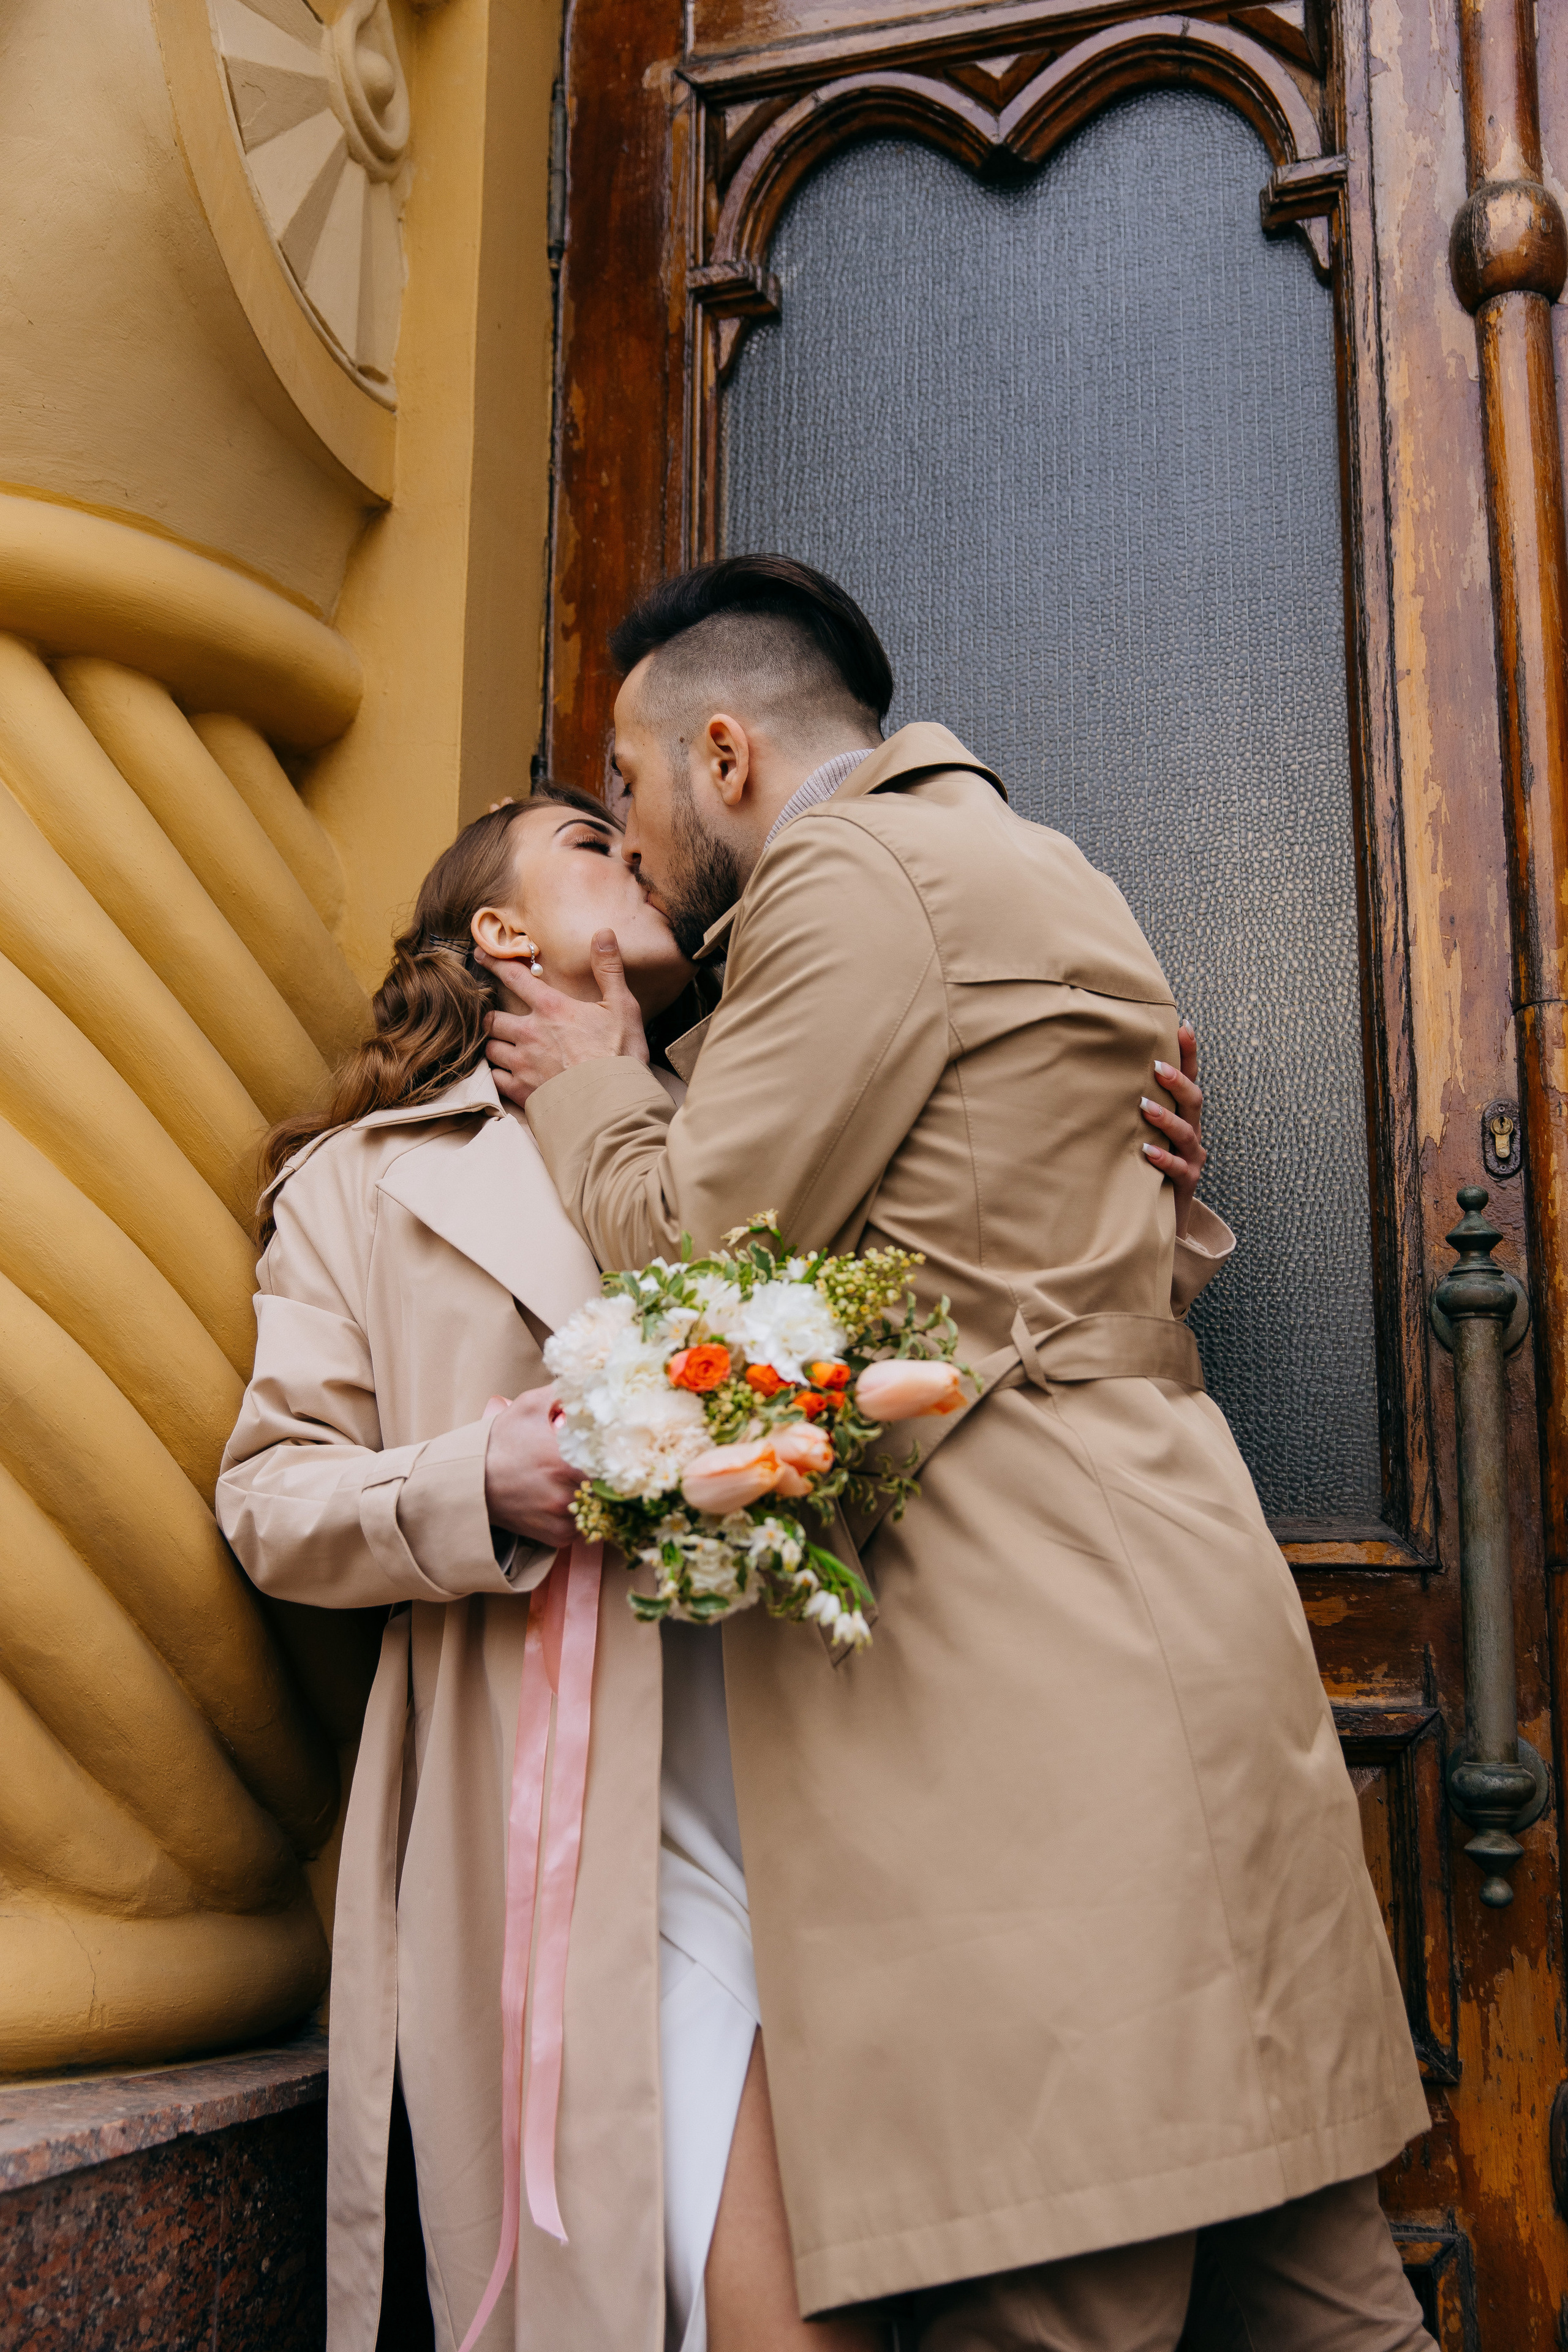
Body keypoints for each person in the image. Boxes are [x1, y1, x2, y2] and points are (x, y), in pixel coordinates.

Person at [483, 554, 1438, 2352]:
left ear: (725, 753)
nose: (628, 827)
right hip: (1178, 1623)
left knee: (1059, 2280)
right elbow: (1076, 1233)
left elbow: (701, 1254)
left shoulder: (853, 878)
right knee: (1318, 2289)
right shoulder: (1050, 866)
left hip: (1034, 1678)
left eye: (626, 787)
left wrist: (588, 1078)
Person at [216, 777, 1221, 2352]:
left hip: (861, 1770)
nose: (635, 851)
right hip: (594, 1833)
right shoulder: (365, 1185)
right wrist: (486, 1479)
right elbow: (273, 1499)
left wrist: (1118, 1168)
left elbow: (974, 1329)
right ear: (498, 931)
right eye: (585, 842)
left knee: (964, 2280)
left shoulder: (765, 1115)